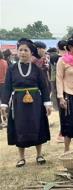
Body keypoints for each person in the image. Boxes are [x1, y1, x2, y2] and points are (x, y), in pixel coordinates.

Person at [0, 38, 52, 167]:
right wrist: (4, 104)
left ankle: (39, 155)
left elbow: (44, 87)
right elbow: (7, 87)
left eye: (26, 50)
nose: (23, 52)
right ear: (17, 52)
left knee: (37, 125)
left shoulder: (36, 69)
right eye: (20, 50)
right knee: (20, 127)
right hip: (18, 104)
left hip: (36, 102)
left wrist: (47, 103)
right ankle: (21, 157)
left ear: (31, 52)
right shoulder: (12, 69)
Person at [0, 51, 9, 127]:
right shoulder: (5, 62)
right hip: (4, 84)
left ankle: (0, 122)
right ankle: (6, 120)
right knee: (4, 103)